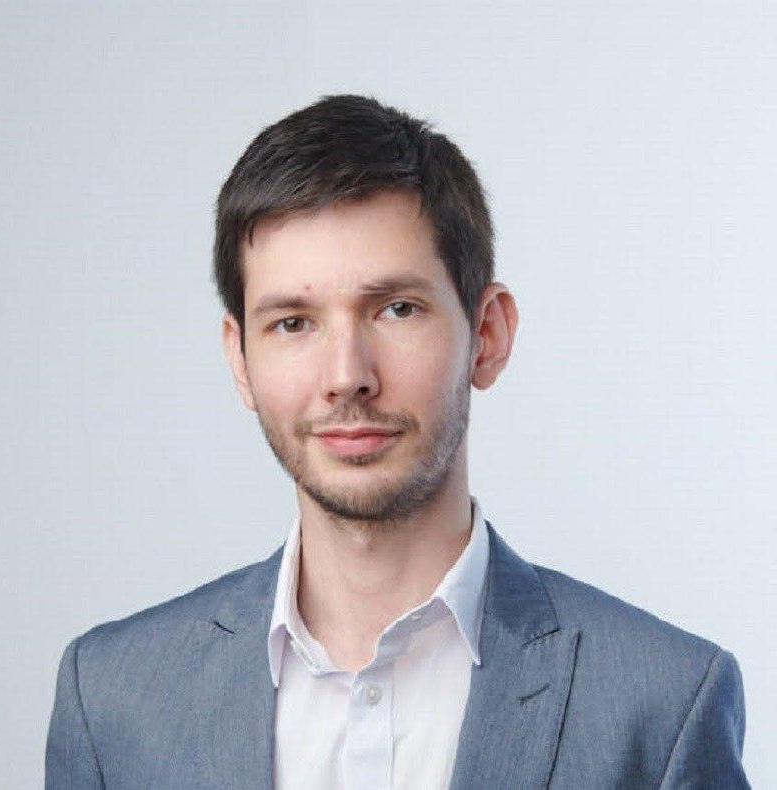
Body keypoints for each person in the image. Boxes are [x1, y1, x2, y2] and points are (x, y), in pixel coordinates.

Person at [45, 94, 749, 789]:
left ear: (488, 336)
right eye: (293, 323)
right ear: (240, 360)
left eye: (397, 309)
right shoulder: (112, 702)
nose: (346, 376)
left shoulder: (663, 707)